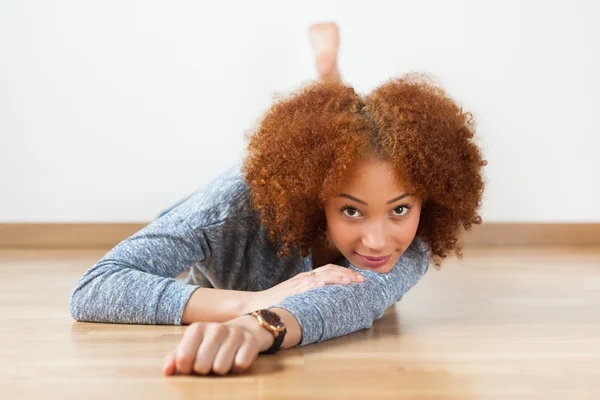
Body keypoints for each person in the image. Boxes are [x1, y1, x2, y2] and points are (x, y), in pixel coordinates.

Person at [69, 22, 486, 376]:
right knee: (337, 144)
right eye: (351, 210)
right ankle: (329, 74)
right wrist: (255, 301)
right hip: (213, 225)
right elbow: (95, 287)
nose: (378, 241)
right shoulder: (228, 209)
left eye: (399, 208)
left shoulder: (415, 236)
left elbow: (357, 299)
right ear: (316, 198)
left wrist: (258, 326)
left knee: (358, 138)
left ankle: (330, 75)